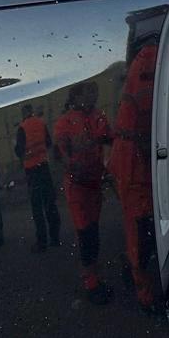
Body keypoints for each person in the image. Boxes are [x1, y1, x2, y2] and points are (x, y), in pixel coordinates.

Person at [109, 42, 158, 311]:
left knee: (141, 232)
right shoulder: (151, 62)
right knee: (140, 235)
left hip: (135, 166)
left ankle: (136, 275)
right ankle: (144, 294)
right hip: (135, 169)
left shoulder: (144, 63)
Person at [54, 83, 112, 304]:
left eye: (94, 92)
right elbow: (61, 156)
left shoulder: (98, 116)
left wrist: (107, 166)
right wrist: (72, 166)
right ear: (76, 94)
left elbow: (108, 141)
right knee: (86, 234)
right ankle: (91, 284)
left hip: (94, 184)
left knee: (93, 232)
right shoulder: (65, 122)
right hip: (77, 187)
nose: (93, 96)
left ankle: (94, 277)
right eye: (88, 92)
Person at [15, 104, 60, 251]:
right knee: (50, 204)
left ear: (24, 113)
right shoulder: (41, 123)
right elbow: (48, 143)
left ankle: (42, 241)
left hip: (32, 170)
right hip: (43, 166)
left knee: (37, 207)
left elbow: (19, 151)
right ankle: (55, 238)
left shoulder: (22, 128)